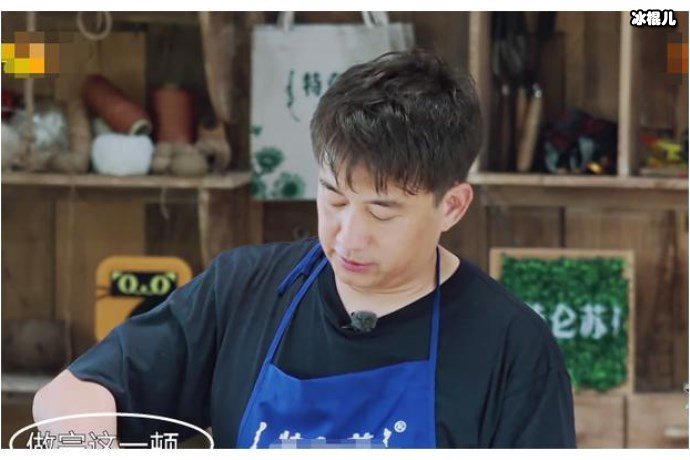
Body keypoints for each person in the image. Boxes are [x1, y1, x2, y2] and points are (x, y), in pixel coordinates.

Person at [33, 50, 576, 448]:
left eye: (382, 211)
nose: (348, 236)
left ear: (452, 206)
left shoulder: (511, 347)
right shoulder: (243, 290)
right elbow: (69, 396)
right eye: (334, 198)